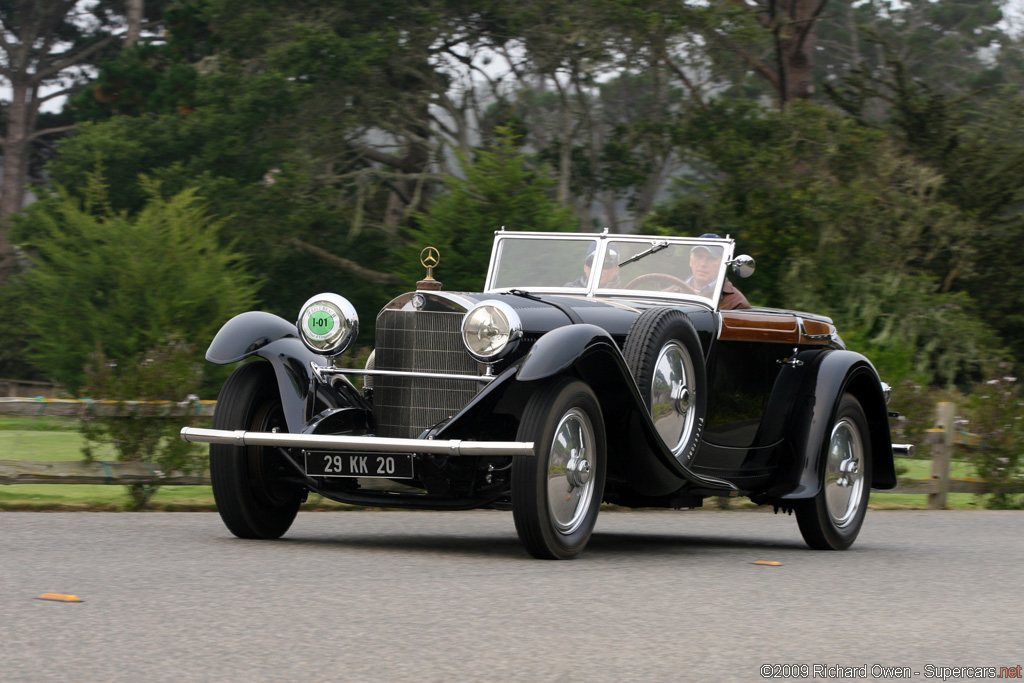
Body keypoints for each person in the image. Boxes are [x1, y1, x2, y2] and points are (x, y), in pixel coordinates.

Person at [686, 234, 751, 310]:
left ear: (722, 263)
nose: (703, 264)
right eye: (699, 256)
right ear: (691, 260)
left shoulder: (736, 302)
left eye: (711, 258)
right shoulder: (672, 292)